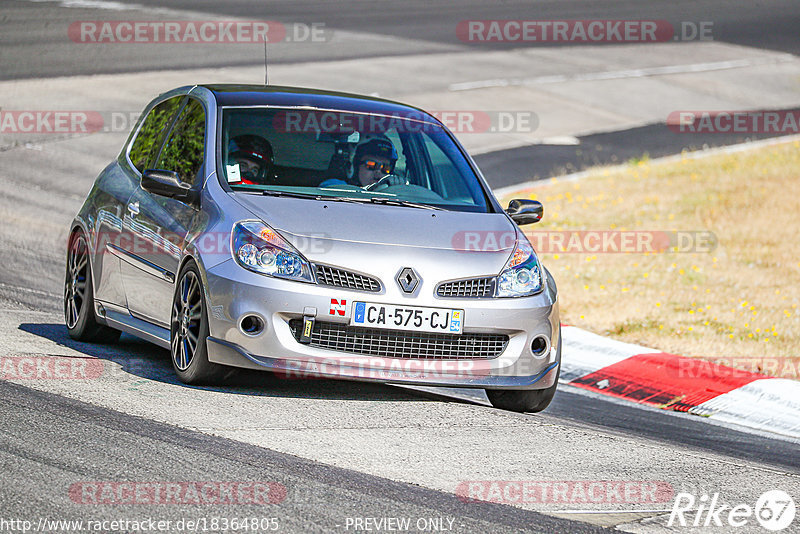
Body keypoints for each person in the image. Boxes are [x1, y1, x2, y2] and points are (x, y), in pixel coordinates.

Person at [320, 138, 398, 188]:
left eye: (385, 168)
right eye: (371, 165)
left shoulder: (393, 195)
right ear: (354, 167)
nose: (378, 172)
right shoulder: (335, 186)